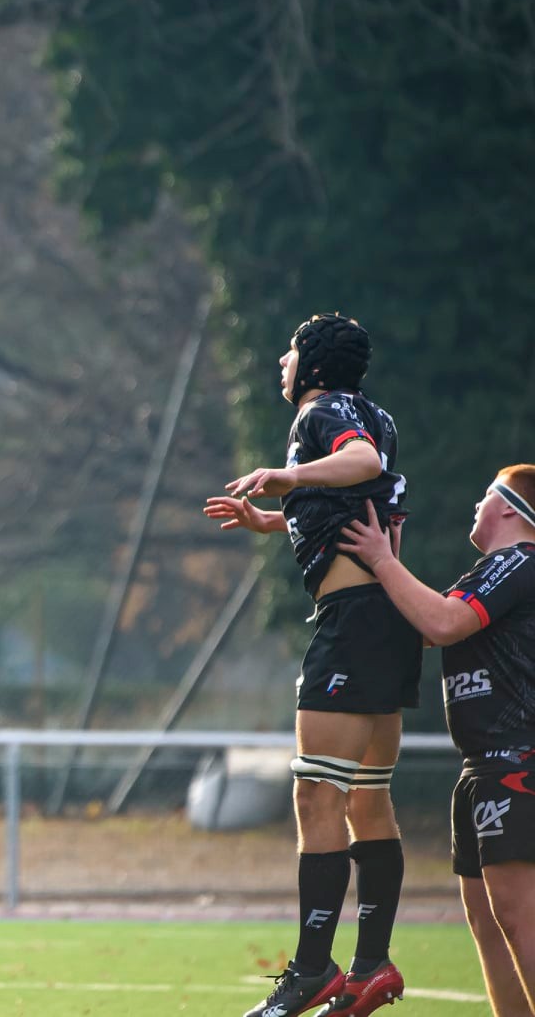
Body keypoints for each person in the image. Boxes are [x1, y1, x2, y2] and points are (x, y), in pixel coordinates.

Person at [203, 314, 418, 1017]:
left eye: (290, 351)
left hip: (353, 622)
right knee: (365, 797)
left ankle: (312, 969)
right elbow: (371, 497)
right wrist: (279, 519)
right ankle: (369, 967)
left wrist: (283, 476)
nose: (281, 360)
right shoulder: (376, 412)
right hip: (388, 617)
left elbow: (362, 466)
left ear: (315, 365)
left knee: (315, 796)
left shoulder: (322, 412)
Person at [340, 467, 535, 1017]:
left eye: (483, 496)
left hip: (516, 761)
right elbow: (424, 624)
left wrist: (381, 560)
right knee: (488, 925)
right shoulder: (494, 571)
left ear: (509, 508)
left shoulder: (517, 562)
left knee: (519, 918)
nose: (474, 506)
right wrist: (389, 557)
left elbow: (444, 623)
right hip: (482, 767)